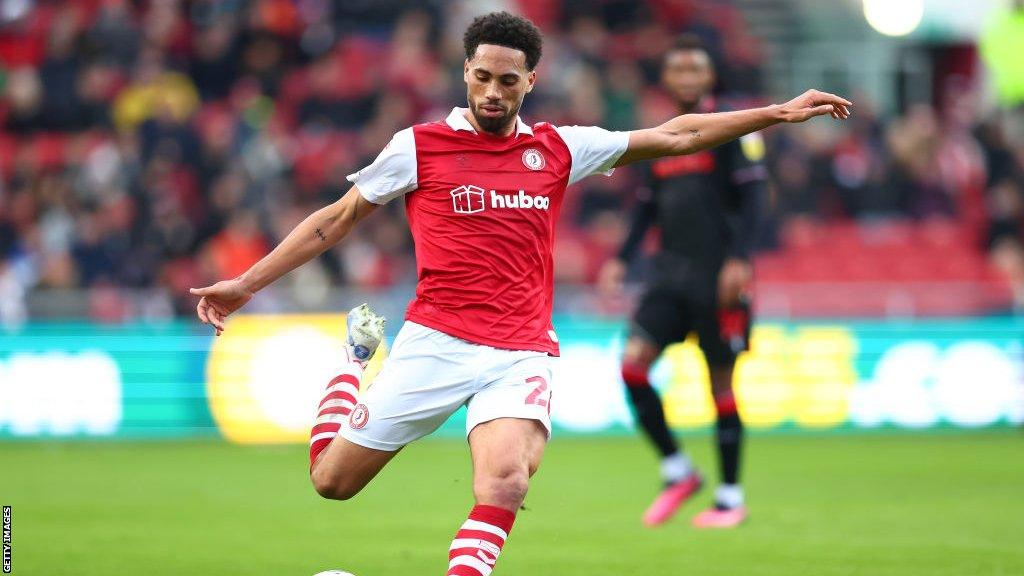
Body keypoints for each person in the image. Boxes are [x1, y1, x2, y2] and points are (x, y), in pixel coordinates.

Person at [190, 12, 850, 576]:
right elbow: (334, 220)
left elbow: (678, 134)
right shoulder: (418, 148)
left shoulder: (560, 148)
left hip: (520, 351)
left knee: (506, 480)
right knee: (331, 484)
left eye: (509, 80)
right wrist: (246, 285)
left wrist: (776, 113)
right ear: (466, 74)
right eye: (483, 77)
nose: (494, 91)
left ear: (530, 81)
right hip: (434, 342)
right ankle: (354, 363)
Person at [598, 34, 767, 529]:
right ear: (668, 79)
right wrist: (623, 257)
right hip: (668, 275)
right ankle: (678, 470)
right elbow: (648, 205)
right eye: (680, 70)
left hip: (718, 277)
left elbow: (757, 199)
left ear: (709, 78)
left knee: (719, 382)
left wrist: (740, 258)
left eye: (697, 69)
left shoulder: (734, 128)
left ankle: (731, 498)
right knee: (632, 366)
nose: (688, 77)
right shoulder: (663, 134)